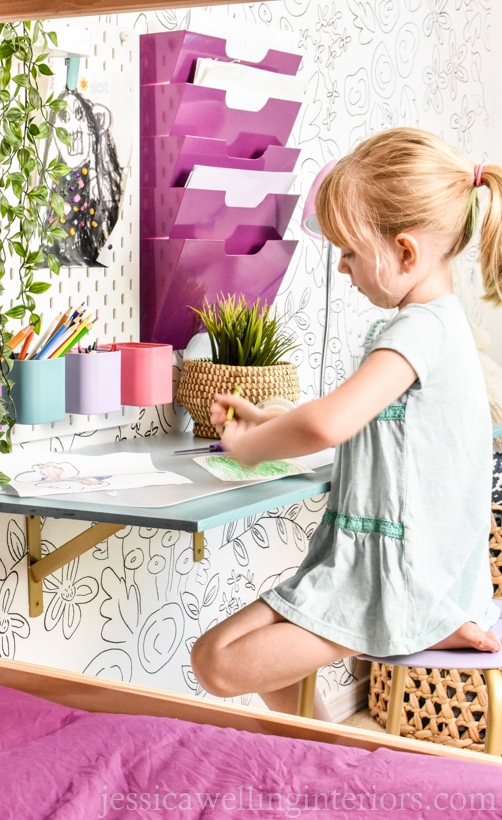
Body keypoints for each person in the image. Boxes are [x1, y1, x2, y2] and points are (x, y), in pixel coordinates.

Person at [190, 127, 502, 720]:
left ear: (406, 252)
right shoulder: (435, 324)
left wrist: (252, 445)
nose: (342, 268)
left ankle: (407, 629)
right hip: (373, 563)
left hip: (397, 579)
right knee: (216, 654)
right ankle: (323, 760)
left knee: (218, 663)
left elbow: (331, 423)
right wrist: (273, 417)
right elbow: (379, 428)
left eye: (351, 252)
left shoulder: (419, 330)